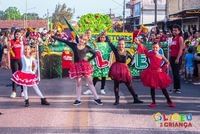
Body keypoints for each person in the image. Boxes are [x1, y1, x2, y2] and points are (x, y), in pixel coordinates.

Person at [53, 34, 103, 106]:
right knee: (78, 82)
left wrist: (88, 59)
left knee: (90, 82)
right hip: (76, 66)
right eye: (81, 38)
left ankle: (96, 98)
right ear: (79, 38)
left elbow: (95, 54)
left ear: (86, 41)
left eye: (84, 40)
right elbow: (64, 41)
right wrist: (53, 36)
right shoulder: (73, 45)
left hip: (85, 65)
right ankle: (78, 99)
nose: (82, 40)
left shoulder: (87, 47)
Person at [136, 40, 175, 108]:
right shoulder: (150, 54)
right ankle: (153, 102)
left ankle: (169, 101)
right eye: (153, 47)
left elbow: (168, 62)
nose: (155, 49)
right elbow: (144, 50)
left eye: (156, 47)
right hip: (151, 73)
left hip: (159, 73)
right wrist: (139, 43)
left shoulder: (161, 55)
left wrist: (164, 67)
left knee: (163, 88)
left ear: (159, 48)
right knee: (152, 88)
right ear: (152, 47)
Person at [108, 38, 143, 105]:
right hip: (117, 70)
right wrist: (106, 36)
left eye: (122, 44)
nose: (121, 45)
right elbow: (110, 44)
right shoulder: (116, 51)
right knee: (116, 85)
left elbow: (132, 58)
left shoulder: (127, 53)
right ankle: (117, 100)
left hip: (124, 71)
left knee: (129, 85)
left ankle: (135, 98)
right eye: (120, 44)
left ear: (125, 45)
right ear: (118, 45)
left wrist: (128, 65)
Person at [169, 24, 185, 93]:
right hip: (172, 57)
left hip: (177, 57)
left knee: (176, 73)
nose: (174, 32)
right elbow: (172, 48)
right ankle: (175, 88)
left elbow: (181, 49)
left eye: (176, 30)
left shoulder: (180, 38)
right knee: (173, 73)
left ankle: (178, 88)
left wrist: (178, 58)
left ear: (179, 31)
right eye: (173, 30)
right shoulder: (173, 38)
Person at [10, 29, 24, 98]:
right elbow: (8, 50)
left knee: (21, 75)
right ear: (14, 34)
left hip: (20, 60)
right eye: (16, 34)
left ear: (21, 35)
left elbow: (23, 51)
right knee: (15, 75)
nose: (17, 35)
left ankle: (22, 91)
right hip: (14, 61)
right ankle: (14, 91)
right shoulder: (11, 41)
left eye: (19, 34)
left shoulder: (21, 42)